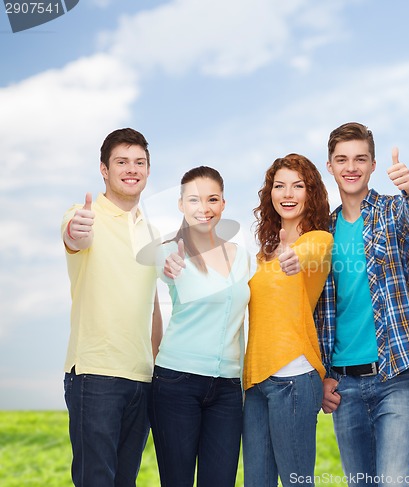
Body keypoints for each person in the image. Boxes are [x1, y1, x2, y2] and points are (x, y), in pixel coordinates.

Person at [315, 122, 409, 487]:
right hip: (344, 383)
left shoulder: (392, 212)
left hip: (397, 375)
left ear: (373, 165)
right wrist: (324, 376)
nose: (351, 167)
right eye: (342, 159)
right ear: (330, 166)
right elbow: (320, 313)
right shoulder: (323, 233)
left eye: (360, 159)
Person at [61, 128, 163, 487]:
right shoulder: (82, 214)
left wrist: (157, 367)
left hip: (141, 378)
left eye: (139, 162)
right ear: (104, 169)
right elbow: (75, 236)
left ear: (148, 171)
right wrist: (78, 230)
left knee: (125, 482)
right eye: (122, 161)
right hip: (96, 374)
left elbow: (152, 306)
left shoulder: (151, 232)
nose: (131, 169)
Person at [149, 166, 250, 487]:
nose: (203, 208)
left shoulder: (245, 258)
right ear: (180, 204)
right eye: (193, 200)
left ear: (223, 204)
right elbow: (141, 301)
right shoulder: (168, 252)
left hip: (228, 390)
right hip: (176, 382)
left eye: (212, 199)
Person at [243, 153, 333, 487]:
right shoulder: (260, 255)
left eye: (298, 185)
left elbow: (304, 256)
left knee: (297, 482)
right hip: (255, 383)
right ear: (270, 195)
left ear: (311, 193)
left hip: (293, 380)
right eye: (279, 186)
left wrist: (291, 256)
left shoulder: (319, 240)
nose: (288, 193)